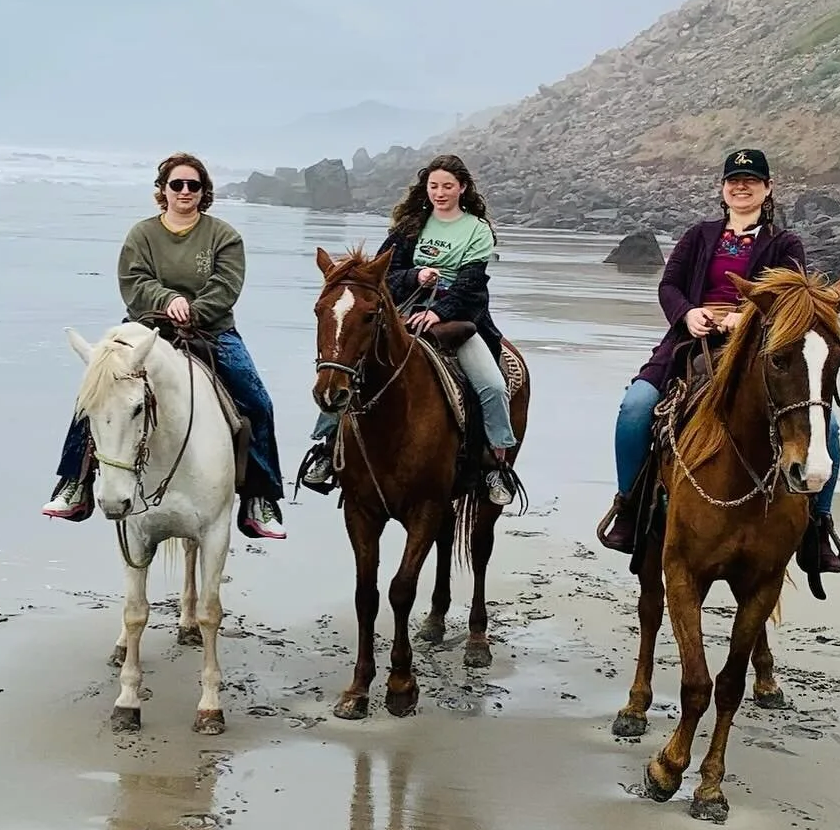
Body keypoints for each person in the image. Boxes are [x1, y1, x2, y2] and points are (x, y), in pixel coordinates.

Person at [597, 148, 840, 577]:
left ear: (767, 189)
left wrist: (742, 317)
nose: (741, 186)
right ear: (723, 189)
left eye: (751, 180)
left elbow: (790, 300)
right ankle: (629, 506)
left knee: (831, 426)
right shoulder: (699, 235)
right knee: (634, 409)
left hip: (754, 348)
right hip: (689, 345)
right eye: (734, 180)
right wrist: (688, 314)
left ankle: (818, 525)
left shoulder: (785, 243)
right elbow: (670, 284)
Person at [42, 152, 286, 540]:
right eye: (177, 185)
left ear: (204, 191)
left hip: (211, 331)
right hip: (146, 328)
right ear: (163, 190)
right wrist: (165, 300)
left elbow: (227, 287)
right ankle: (75, 482)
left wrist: (192, 310)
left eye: (194, 185)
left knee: (257, 402)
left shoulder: (224, 236)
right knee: (95, 392)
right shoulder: (142, 235)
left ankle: (260, 497)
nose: (185, 191)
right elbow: (133, 281)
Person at [301, 153, 518, 506]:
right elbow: (381, 274)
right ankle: (325, 449)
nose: (440, 192)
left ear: (462, 188)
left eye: (448, 186)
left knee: (491, 384)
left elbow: (473, 285)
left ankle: (496, 463)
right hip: (403, 312)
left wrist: (438, 312)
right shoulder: (408, 228)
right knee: (345, 366)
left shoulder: (478, 230)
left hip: (459, 318)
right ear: (425, 188)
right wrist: (416, 276)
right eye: (434, 186)